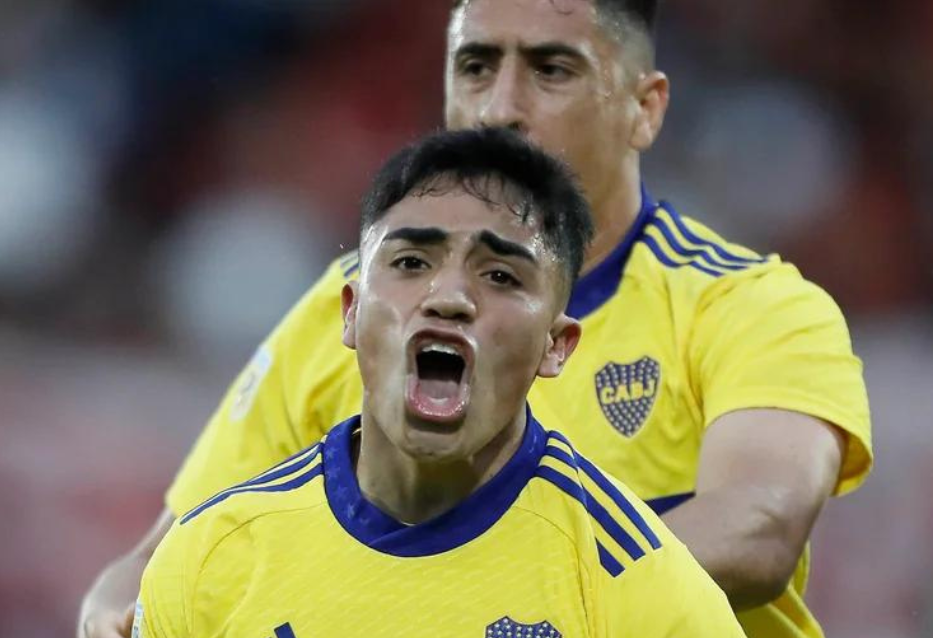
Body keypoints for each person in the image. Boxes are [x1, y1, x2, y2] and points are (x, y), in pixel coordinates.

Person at [80, 2, 872, 637]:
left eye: (551, 70)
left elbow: (758, 530)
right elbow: (174, 554)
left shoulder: (751, 307)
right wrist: (118, 603)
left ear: (644, 107)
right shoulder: (355, 303)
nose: (499, 108)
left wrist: (484, 594)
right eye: (475, 65)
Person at [132, 127, 744, 637]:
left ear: (555, 346)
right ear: (350, 313)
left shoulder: (633, 582)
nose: (449, 297)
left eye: (501, 276)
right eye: (410, 263)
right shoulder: (210, 558)